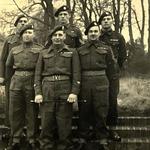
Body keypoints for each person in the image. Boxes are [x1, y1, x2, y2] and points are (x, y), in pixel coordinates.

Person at [34, 25, 81, 150]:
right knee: (46, 122)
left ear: (64, 37)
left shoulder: (72, 52)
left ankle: (64, 147)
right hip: (47, 89)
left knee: (64, 122)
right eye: (55, 35)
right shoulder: (43, 53)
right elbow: (37, 74)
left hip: (65, 88)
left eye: (60, 35)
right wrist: (38, 92)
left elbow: (76, 74)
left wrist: (74, 92)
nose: (57, 37)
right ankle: (46, 146)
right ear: (51, 37)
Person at [78, 21, 117, 150]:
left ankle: (102, 138)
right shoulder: (80, 50)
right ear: (87, 34)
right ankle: (82, 137)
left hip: (101, 82)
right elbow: (76, 70)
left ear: (99, 33)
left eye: (95, 31)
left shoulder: (106, 48)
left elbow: (112, 70)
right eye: (91, 32)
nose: (93, 34)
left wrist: (112, 87)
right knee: (84, 110)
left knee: (101, 110)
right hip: (84, 82)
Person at [5, 24, 42, 150]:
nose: (27, 35)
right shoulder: (14, 50)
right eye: (25, 33)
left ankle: (31, 139)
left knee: (32, 111)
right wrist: (9, 83)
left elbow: (41, 68)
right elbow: (8, 66)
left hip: (32, 81)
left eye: (30, 32)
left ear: (34, 34)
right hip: (16, 81)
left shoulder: (39, 49)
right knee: (15, 111)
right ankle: (15, 139)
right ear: (21, 36)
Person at [98, 11, 127, 141]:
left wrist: (115, 69)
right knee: (98, 101)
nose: (106, 21)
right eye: (103, 19)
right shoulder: (96, 36)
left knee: (112, 100)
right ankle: (99, 129)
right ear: (100, 22)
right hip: (99, 73)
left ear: (112, 21)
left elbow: (122, 56)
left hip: (112, 74)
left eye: (108, 19)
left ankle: (112, 129)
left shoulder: (119, 37)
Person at [0, 14, 28, 126]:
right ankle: (9, 125)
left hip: (25, 74)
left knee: (25, 99)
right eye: (21, 21)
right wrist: (1, 76)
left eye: (25, 21)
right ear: (16, 24)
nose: (23, 23)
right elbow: (2, 59)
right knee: (11, 100)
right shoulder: (9, 40)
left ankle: (24, 125)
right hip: (10, 74)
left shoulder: (29, 38)